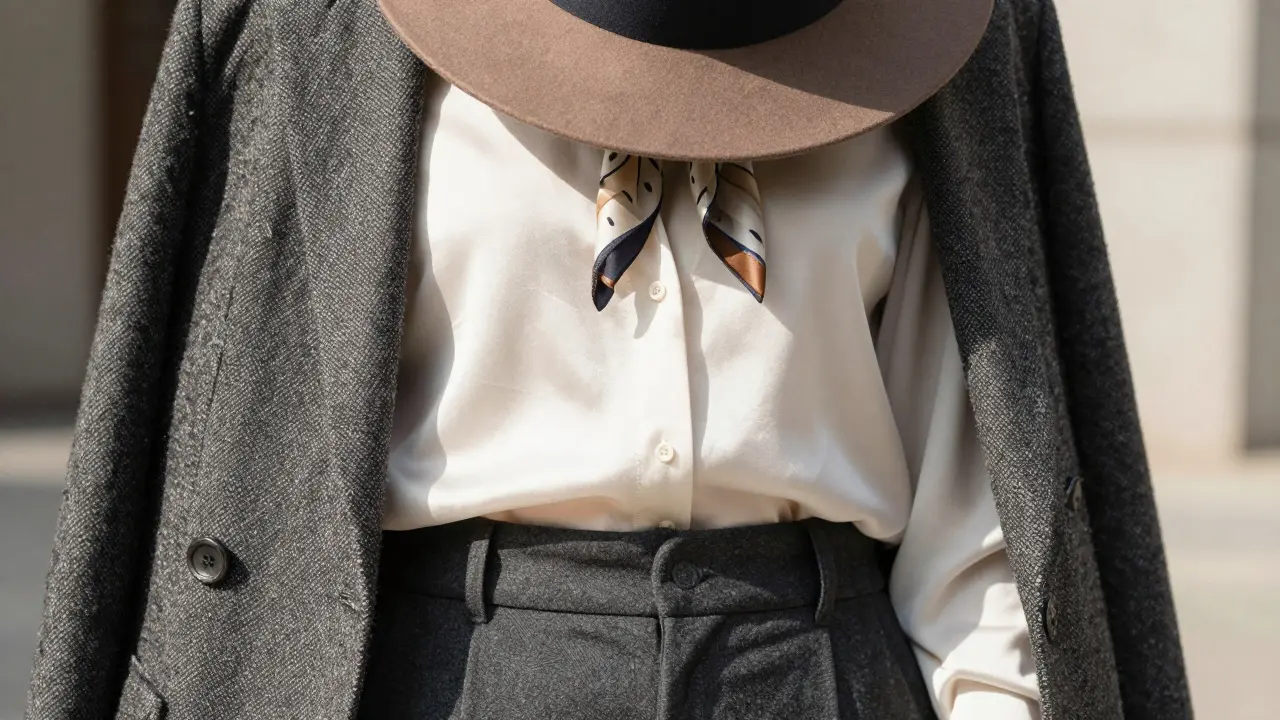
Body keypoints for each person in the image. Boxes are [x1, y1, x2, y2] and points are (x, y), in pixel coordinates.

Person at [26, 0, 1191, 718]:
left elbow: (983, 509)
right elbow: (179, 440)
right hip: (447, 662)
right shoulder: (306, 30)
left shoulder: (955, 40)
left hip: (820, 664)